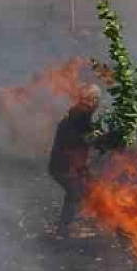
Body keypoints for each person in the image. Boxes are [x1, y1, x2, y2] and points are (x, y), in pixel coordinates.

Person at [49, 87, 102, 234]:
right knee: (75, 193)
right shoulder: (79, 116)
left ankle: (68, 223)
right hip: (65, 166)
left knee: (88, 189)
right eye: (96, 99)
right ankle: (63, 228)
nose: (97, 103)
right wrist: (101, 139)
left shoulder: (79, 114)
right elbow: (77, 142)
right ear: (92, 100)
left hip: (71, 165)